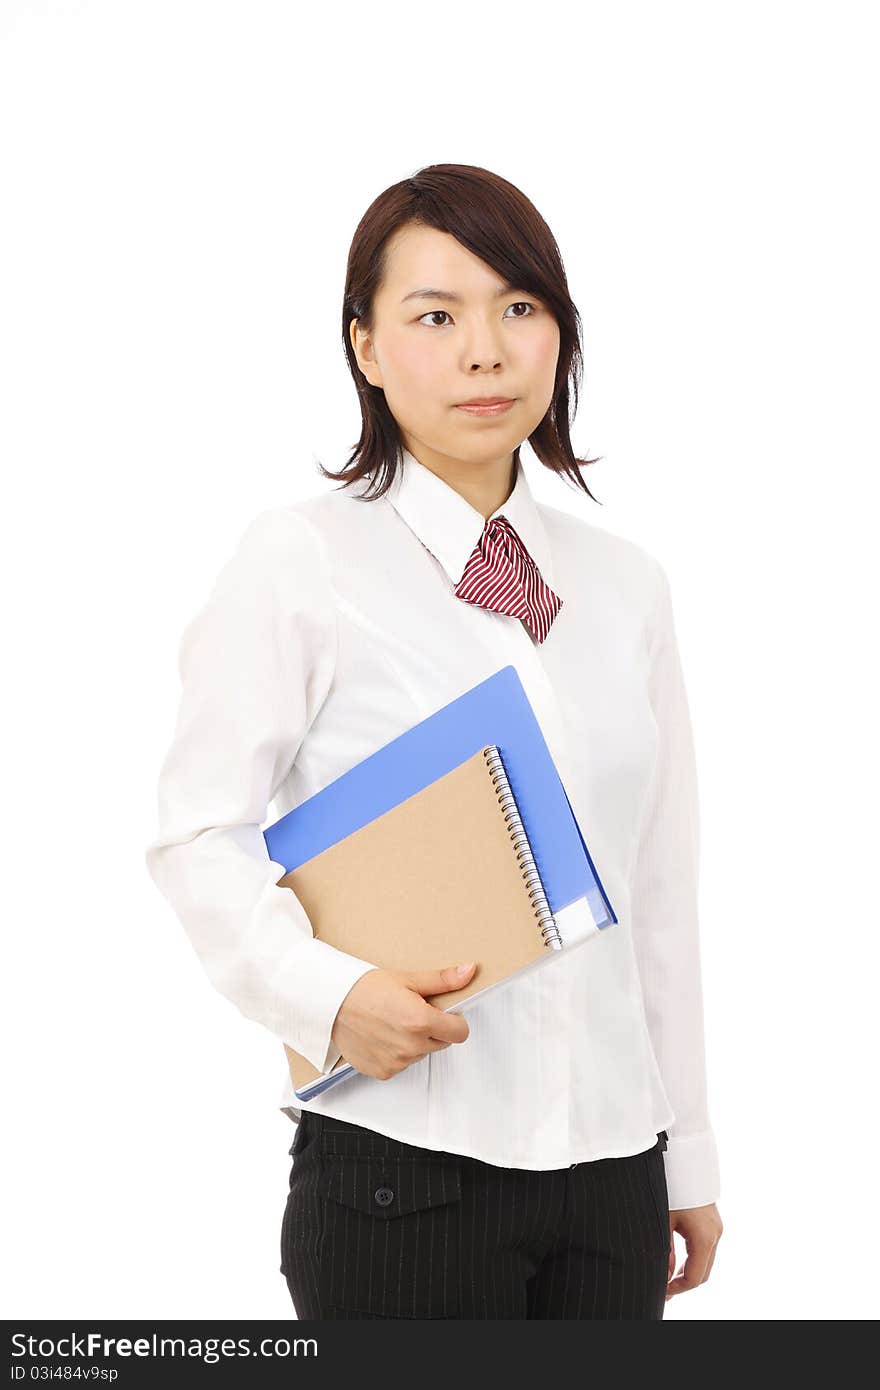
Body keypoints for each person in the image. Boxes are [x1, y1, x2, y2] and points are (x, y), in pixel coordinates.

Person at [145, 163, 723, 1320]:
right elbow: (196, 834)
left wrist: (686, 1148)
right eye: (434, 315)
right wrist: (325, 989)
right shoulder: (299, 559)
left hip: (611, 1174)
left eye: (519, 308)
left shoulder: (623, 585)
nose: (485, 352)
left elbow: (657, 885)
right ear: (364, 346)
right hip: (402, 1173)